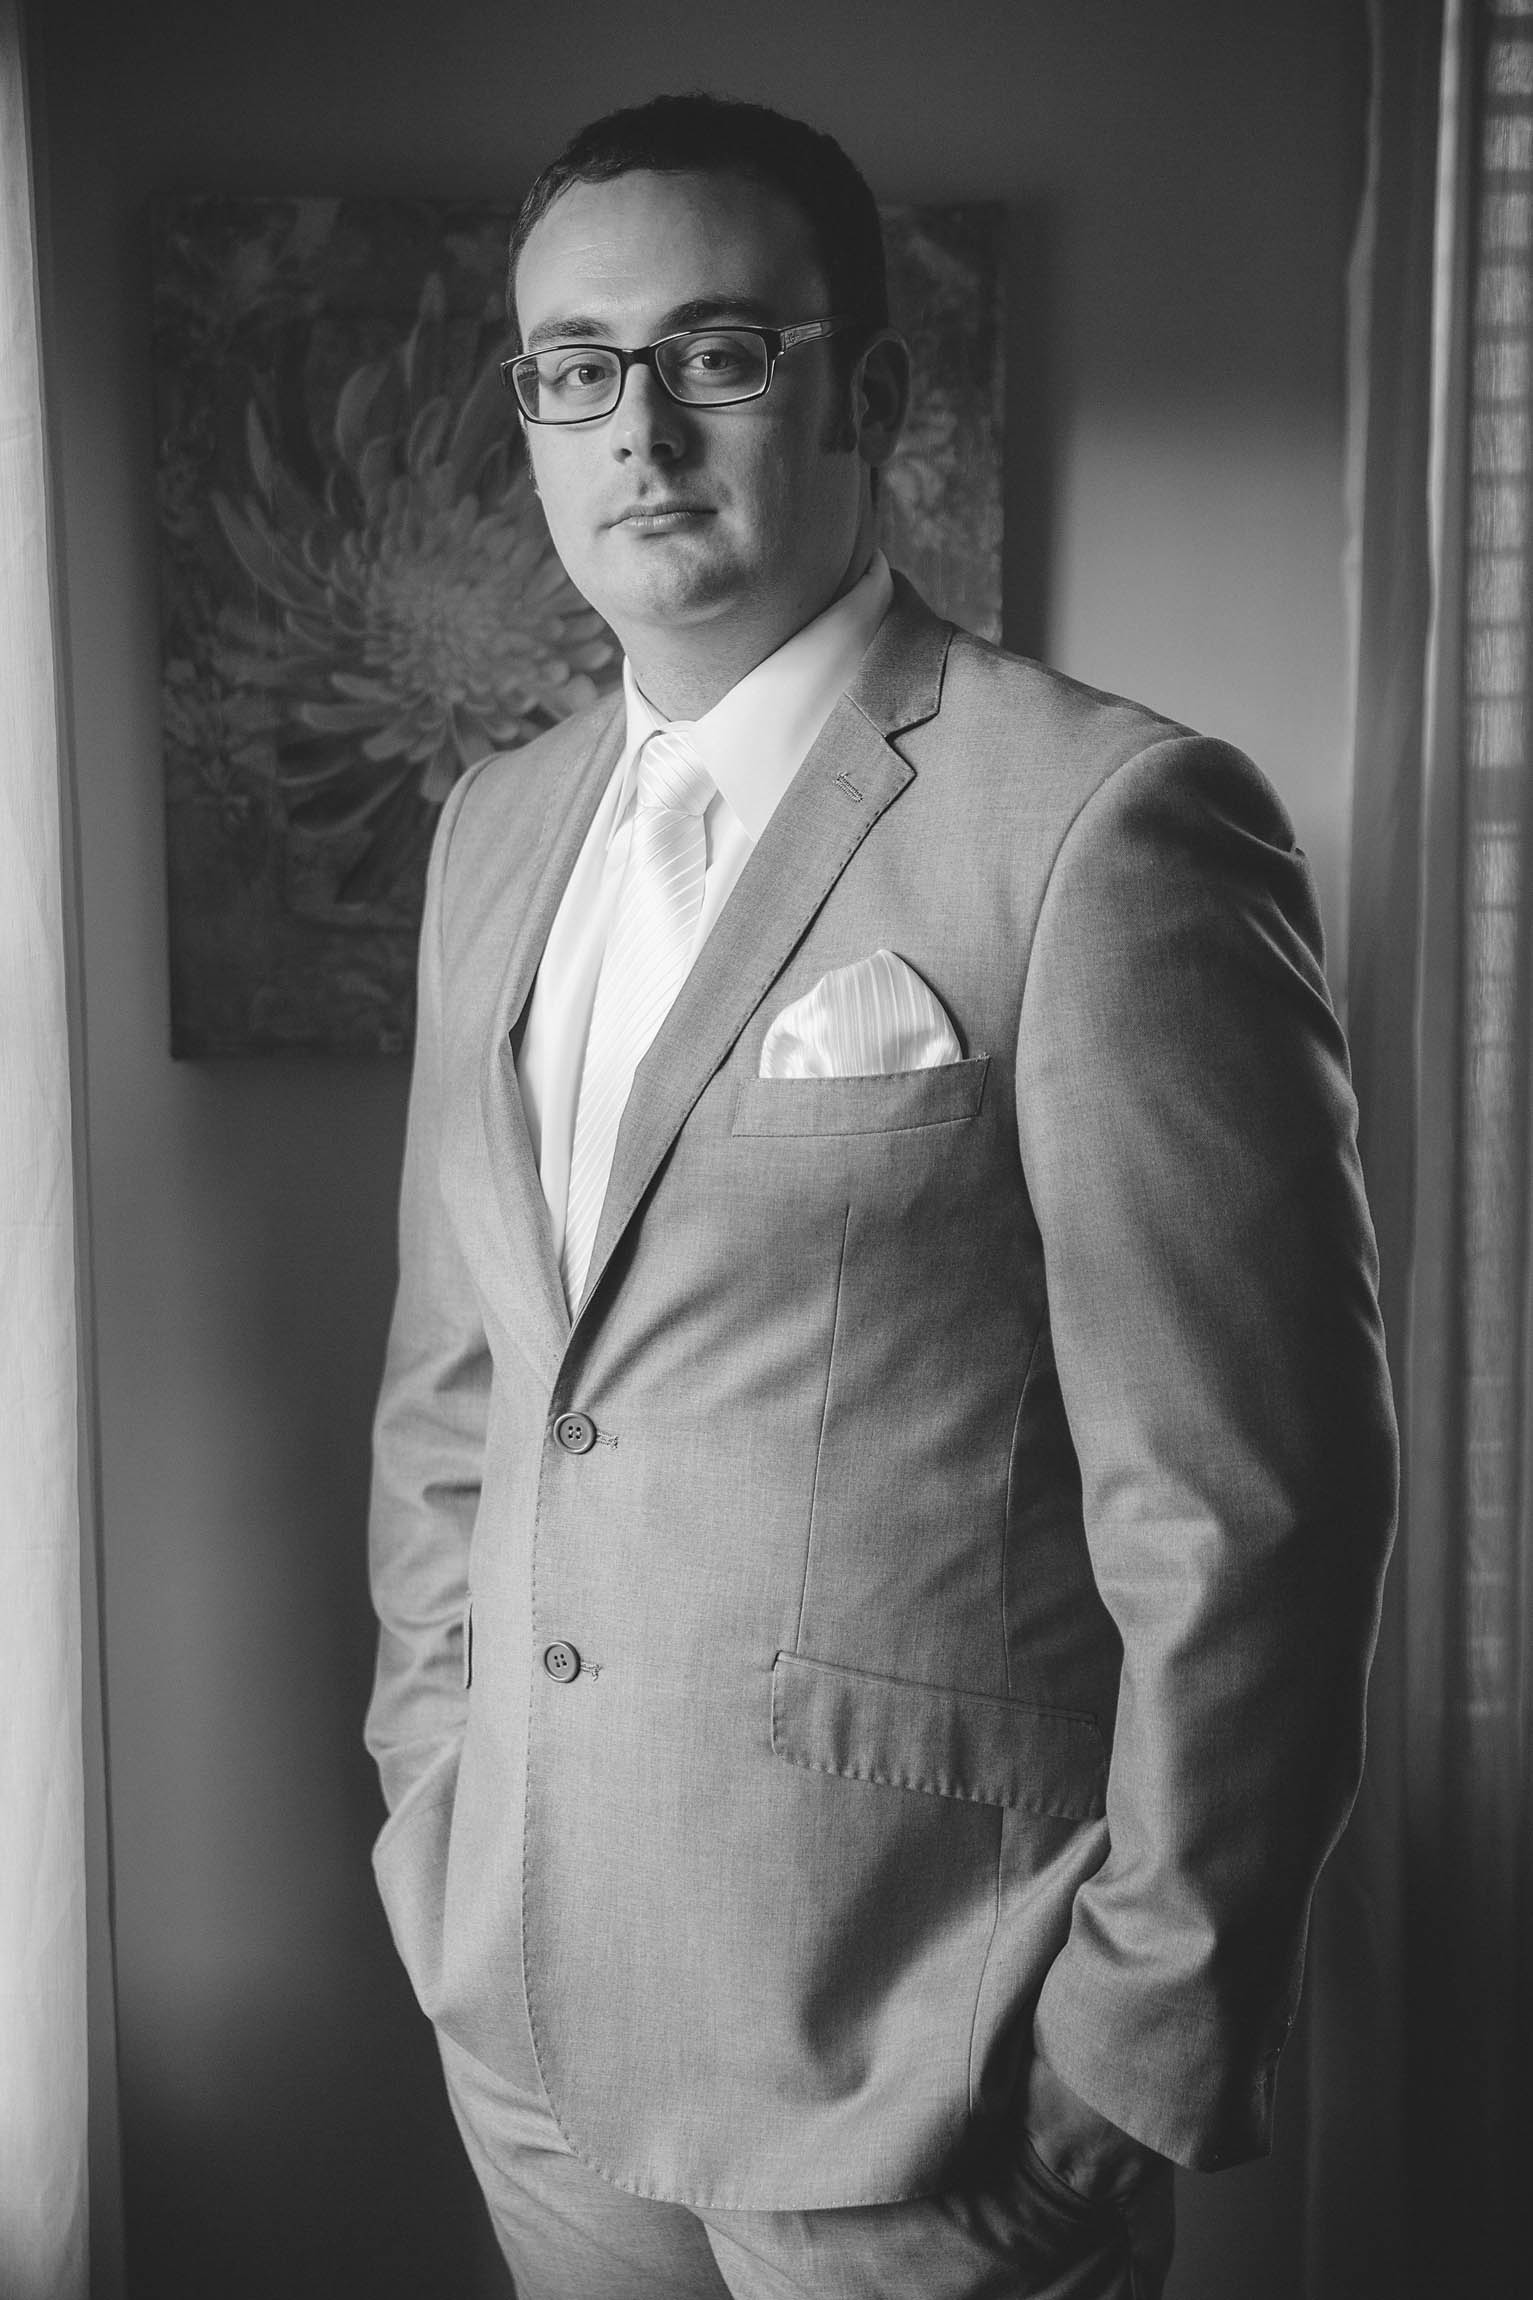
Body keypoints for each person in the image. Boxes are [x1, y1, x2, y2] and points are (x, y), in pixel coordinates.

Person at [364, 91, 1397, 2300]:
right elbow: (464, 1394)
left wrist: (1130, 2040)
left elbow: (1253, 1508)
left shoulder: (1103, 822)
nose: (639, 427)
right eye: (574, 367)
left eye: (717, 351)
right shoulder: (492, 830)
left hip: (930, 2052)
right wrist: (430, 1803)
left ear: (872, 393)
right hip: (530, 2009)